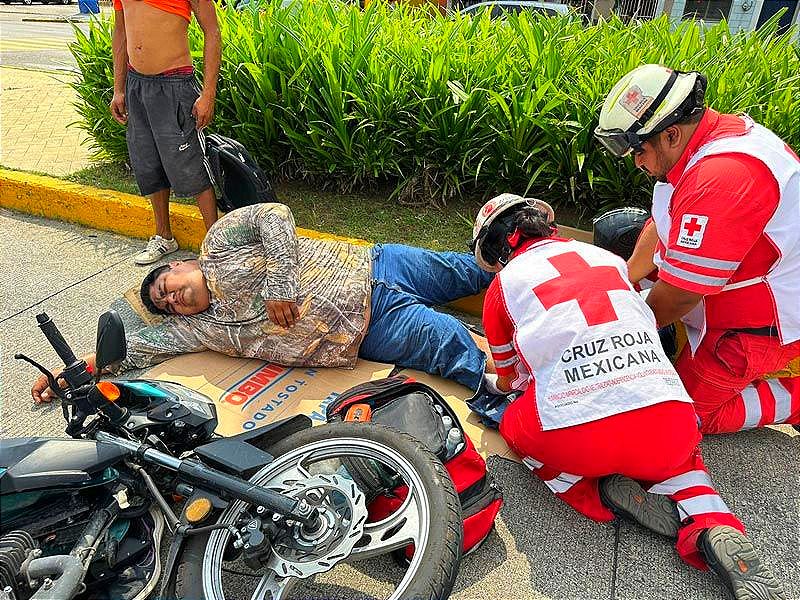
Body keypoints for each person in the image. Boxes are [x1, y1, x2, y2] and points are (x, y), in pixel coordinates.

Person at [470, 193, 785, 600]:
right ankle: (712, 522)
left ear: (497, 253)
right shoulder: (610, 261)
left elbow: (514, 380)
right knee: (681, 454)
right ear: (547, 225)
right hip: (667, 415)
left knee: (516, 422)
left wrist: (496, 382)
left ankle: (596, 493)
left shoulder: (503, 289)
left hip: (581, 443)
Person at [32, 203, 494, 402]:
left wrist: (280, 285)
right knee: (451, 345)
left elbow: (275, 215)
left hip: (377, 265)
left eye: (166, 287)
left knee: (471, 272)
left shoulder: (219, 242)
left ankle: (540, 247)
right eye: (166, 305)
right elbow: (132, 347)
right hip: (371, 328)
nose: (172, 299)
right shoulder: (199, 327)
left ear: (181, 264)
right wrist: (71, 374)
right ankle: (515, 391)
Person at [594, 64, 800, 435]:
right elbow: (663, 223)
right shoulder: (697, 147)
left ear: (670, 133)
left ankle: (793, 396)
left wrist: (620, 338)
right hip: (734, 278)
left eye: (638, 150)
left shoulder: (723, 176)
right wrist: (625, 278)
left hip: (762, 319)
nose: (637, 162)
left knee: (683, 418)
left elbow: (681, 293)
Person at [111, 0, 221, 265]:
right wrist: (119, 88)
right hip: (137, 84)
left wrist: (208, 94)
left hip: (175, 83)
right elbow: (121, 32)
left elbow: (212, 32)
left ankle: (216, 247)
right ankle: (164, 236)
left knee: (191, 166)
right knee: (148, 164)